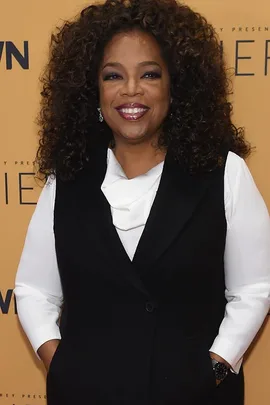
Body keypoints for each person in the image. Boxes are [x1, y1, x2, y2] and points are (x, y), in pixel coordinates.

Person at [14, 0, 270, 404]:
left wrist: (216, 368)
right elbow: (32, 290)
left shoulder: (225, 173)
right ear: (92, 91)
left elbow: (254, 289)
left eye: (149, 74)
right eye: (113, 75)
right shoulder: (66, 180)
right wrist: (59, 363)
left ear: (175, 85)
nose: (131, 89)